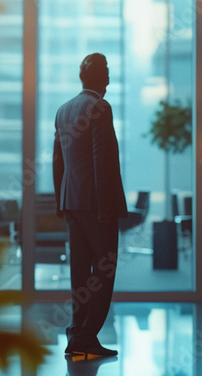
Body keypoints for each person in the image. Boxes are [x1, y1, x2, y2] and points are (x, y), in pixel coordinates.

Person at [53, 53, 128, 358]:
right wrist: (107, 208)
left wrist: (62, 201)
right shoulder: (99, 107)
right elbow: (103, 161)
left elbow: (58, 161)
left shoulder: (63, 110)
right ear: (101, 78)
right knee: (104, 270)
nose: (109, 80)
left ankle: (76, 333)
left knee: (80, 273)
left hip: (71, 203)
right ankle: (86, 335)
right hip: (97, 206)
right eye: (107, 74)